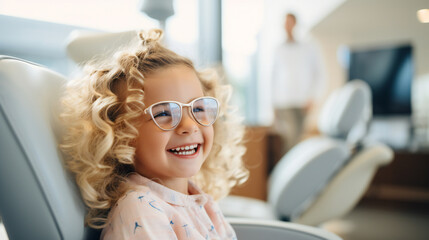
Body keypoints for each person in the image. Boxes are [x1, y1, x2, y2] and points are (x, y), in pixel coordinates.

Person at [61, 29, 248, 239]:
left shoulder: (197, 198)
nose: (189, 125)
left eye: (197, 109)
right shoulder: (140, 210)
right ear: (120, 134)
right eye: (164, 113)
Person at [271, 12, 325, 155]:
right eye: (285, 23)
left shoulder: (309, 47)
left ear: (295, 24)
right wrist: (273, 104)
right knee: (291, 138)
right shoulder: (278, 49)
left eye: (290, 22)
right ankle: (288, 172)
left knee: (298, 138)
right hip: (284, 102)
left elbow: (318, 74)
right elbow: (274, 78)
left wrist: (313, 97)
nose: (287, 26)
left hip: (302, 102)